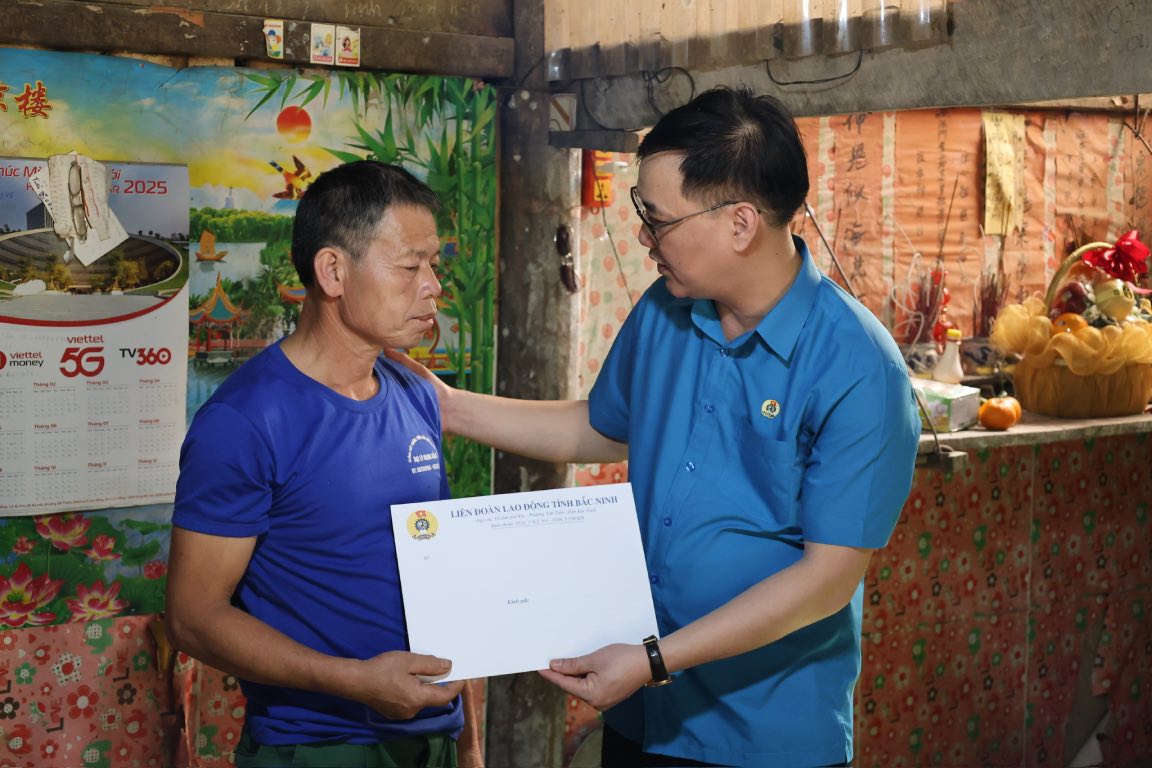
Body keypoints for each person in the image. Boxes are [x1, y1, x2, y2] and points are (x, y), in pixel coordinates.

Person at [390, 86, 920, 767]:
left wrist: (653, 658)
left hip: (763, 735)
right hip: (645, 713)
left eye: (658, 218)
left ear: (739, 223)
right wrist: (448, 407)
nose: (643, 236)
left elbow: (826, 581)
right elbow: (602, 429)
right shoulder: (668, 311)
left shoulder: (859, 368)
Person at [166, 161, 474, 767]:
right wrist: (356, 681)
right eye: (411, 266)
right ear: (333, 270)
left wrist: (469, 746)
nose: (433, 285)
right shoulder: (245, 421)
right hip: (317, 745)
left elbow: (444, 584)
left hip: (435, 735)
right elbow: (193, 618)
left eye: (432, 264)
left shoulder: (413, 394)